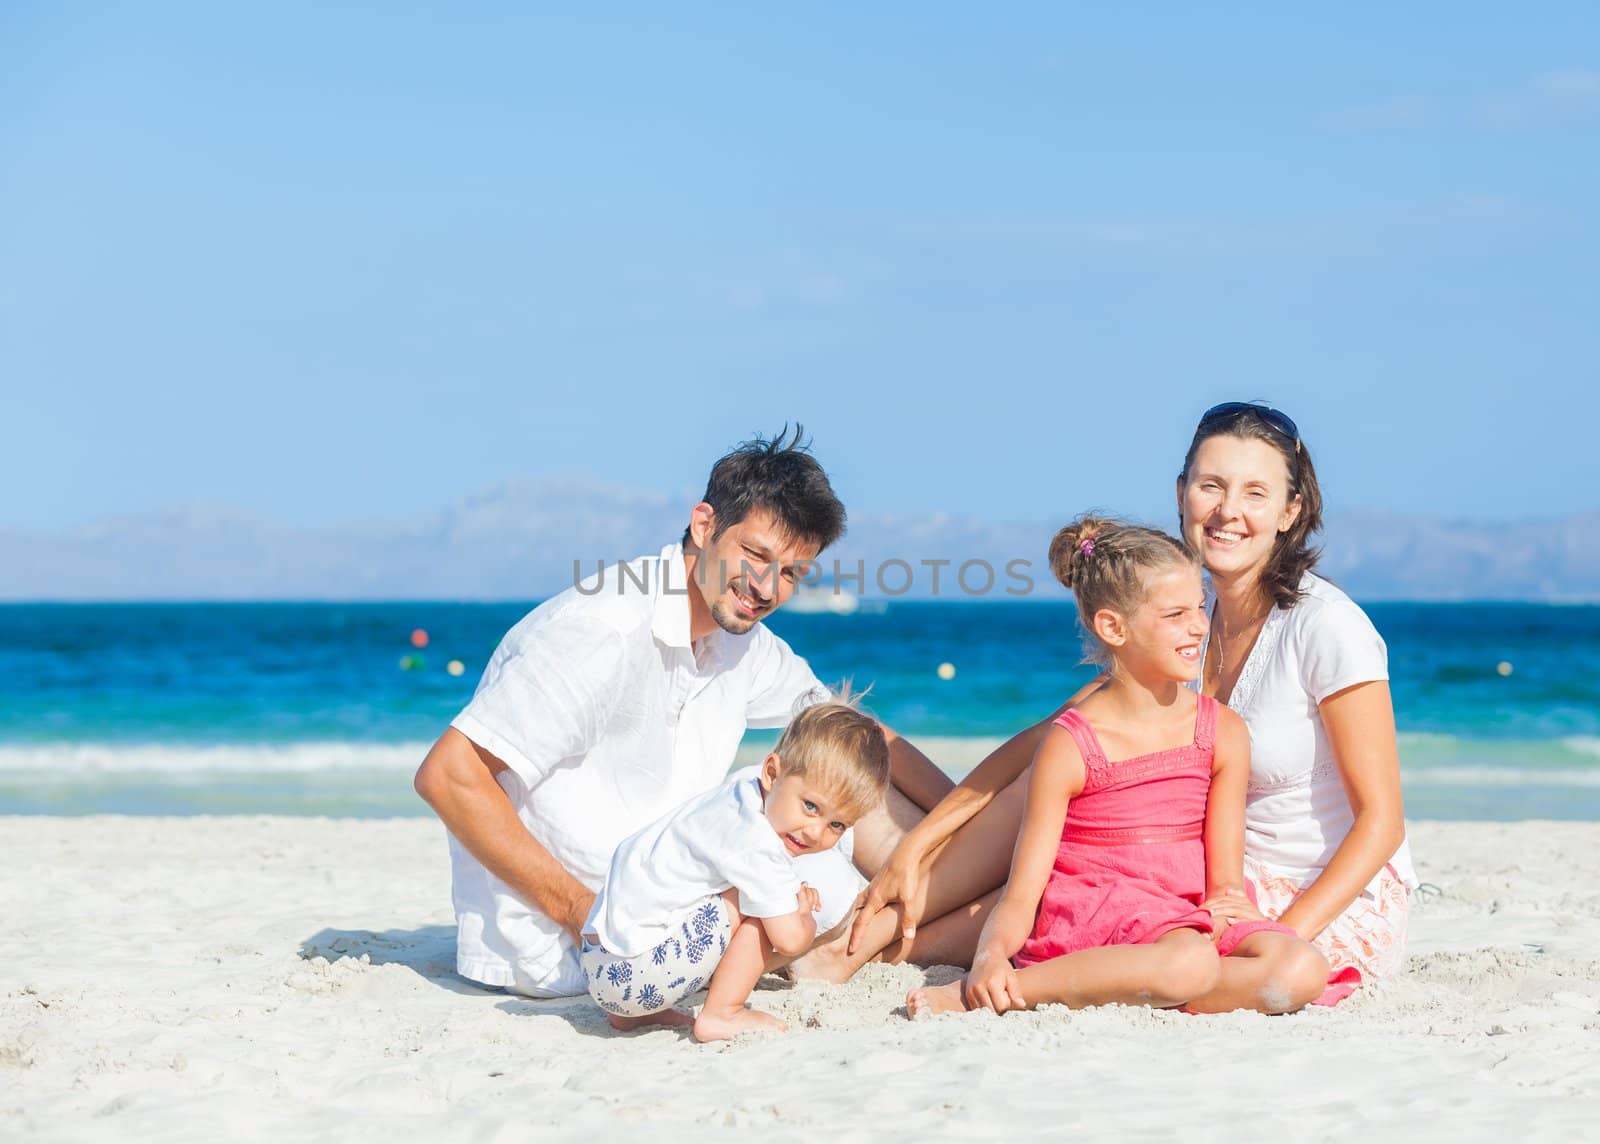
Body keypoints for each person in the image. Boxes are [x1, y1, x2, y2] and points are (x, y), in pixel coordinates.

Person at [818, 404, 1413, 1006]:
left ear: (1290, 512)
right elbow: (1044, 742)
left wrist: (1287, 932)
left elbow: (1382, 824)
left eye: (1256, 493)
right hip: (1187, 872)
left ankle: (878, 940)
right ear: (1182, 495)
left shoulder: (1326, 626)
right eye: (1211, 486)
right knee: (1059, 780)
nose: (1228, 510)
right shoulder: (1188, 624)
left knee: (1078, 844)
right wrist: (918, 847)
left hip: (1301, 895)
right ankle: (886, 921)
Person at [413, 427, 951, 998]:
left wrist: (957, 811)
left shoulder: (740, 637)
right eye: (756, 555)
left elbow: (855, 731)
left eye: (791, 573)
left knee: (845, 772)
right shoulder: (600, 626)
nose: (767, 586)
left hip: (670, 902)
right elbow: (448, 775)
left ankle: (995, 884)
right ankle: (985, 909)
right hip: (576, 942)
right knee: (844, 875)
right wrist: (587, 915)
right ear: (704, 526)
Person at [904, 516, 1328, 1018]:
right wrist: (991, 956)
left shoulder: (1224, 732)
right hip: (1096, 915)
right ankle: (1008, 990)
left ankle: (1124, 983)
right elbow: (1021, 896)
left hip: (1182, 919)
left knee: (1300, 968)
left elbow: (1224, 879)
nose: (1198, 625)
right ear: (1113, 627)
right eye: (1175, 614)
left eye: (1199, 606)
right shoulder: (1071, 745)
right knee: (1190, 966)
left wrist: (1229, 899)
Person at [584, 700, 889, 1041]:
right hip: (634, 975)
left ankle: (631, 1018)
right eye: (810, 806)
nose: (815, 832)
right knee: (764, 908)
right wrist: (802, 913)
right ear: (772, 773)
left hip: (596, 958)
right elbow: (789, 940)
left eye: (836, 824)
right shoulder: (757, 842)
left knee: (740, 894)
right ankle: (722, 1013)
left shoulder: (737, 796)